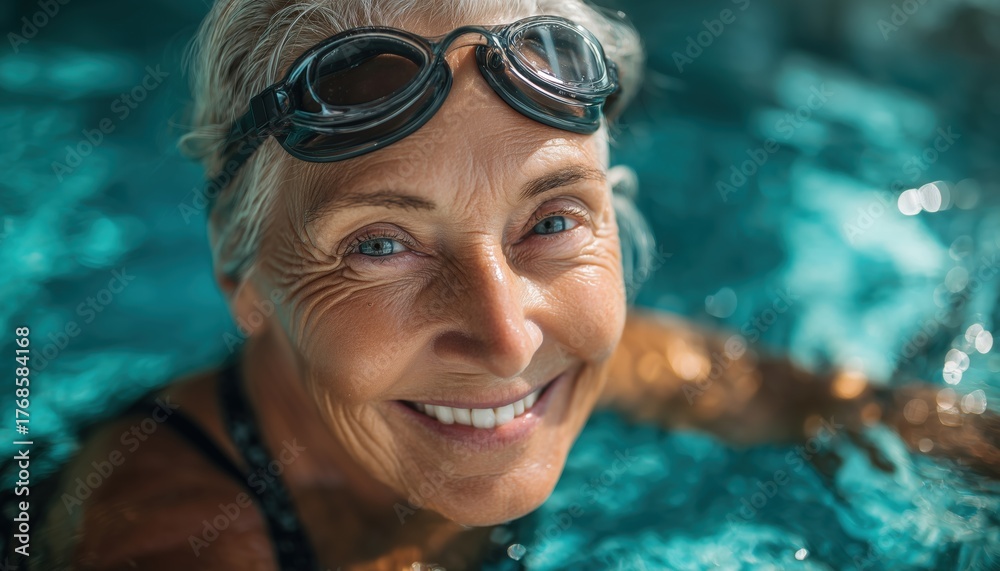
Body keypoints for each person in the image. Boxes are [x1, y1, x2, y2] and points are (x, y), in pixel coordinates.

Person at [19, 0, 998, 569]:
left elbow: (866, 415)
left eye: (551, 222)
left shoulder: (592, 362)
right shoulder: (162, 538)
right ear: (240, 269)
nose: (506, 334)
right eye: (381, 245)